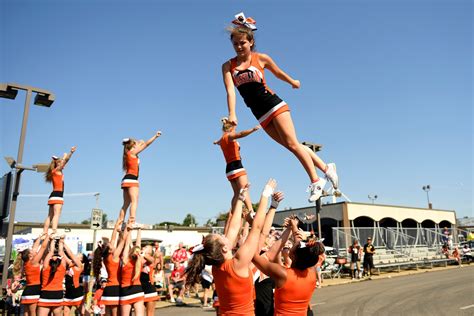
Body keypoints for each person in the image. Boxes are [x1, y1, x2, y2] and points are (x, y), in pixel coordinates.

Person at [222, 12, 338, 202]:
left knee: (293, 144)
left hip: (274, 105)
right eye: (235, 44)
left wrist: (293, 81)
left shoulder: (261, 58)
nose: (239, 47)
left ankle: (316, 180)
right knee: (292, 145)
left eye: (242, 43)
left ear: (250, 42)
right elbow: (231, 91)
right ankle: (326, 168)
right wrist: (232, 113)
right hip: (259, 113)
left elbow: (278, 73)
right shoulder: (228, 66)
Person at [185, 179, 279, 315]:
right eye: (222, 237)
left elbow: (234, 228)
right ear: (224, 249)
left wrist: (240, 199)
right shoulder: (237, 263)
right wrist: (266, 194)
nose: (225, 235)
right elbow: (257, 227)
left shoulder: (217, 267)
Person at [253, 215, 324, 316]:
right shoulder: (311, 272)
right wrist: (293, 225)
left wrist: (254, 226)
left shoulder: (283, 274)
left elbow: (254, 257)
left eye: (294, 246)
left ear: (293, 256)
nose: (294, 243)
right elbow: (299, 243)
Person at [214, 117, 260, 211]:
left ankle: (233, 213)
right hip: (237, 165)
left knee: (236, 193)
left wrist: (216, 142)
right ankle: (251, 212)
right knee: (244, 190)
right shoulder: (230, 136)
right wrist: (252, 129)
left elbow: (218, 141)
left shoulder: (222, 139)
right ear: (230, 128)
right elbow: (241, 133)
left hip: (229, 168)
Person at [118, 132, 161, 225]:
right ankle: (132, 221)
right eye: (135, 143)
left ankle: (120, 221)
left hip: (125, 180)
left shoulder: (127, 153)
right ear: (132, 146)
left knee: (125, 204)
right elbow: (145, 144)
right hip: (132, 179)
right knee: (135, 201)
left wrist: (137, 142)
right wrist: (155, 136)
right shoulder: (133, 152)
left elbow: (141, 142)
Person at [92, 220, 128, 316]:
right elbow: (123, 241)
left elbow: (113, 239)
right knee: (116, 314)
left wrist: (116, 226)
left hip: (108, 288)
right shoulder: (114, 257)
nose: (112, 243)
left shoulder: (105, 257)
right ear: (109, 249)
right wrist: (124, 231)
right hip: (115, 287)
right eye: (110, 245)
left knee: (108, 313)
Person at [42, 146, 76, 238]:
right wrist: (68, 154)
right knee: (57, 214)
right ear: (57, 164)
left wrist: (68, 155)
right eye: (60, 162)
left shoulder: (55, 171)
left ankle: (44, 232)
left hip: (53, 194)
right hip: (58, 194)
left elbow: (65, 162)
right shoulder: (56, 170)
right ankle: (53, 231)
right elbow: (64, 162)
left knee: (50, 215)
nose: (63, 164)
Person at [14, 234, 50, 316]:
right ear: (30, 255)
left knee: (26, 313)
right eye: (32, 251)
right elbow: (43, 248)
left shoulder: (26, 263)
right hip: (34, 289)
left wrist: (40, 237)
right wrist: (48, 237)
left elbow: (35, 247)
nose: (34, 251)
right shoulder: (33, 262)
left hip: (27, 290)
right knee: (33, 313)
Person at [37, 237, 68, 316]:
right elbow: (61, 252)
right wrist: (61, 241)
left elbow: (50, 252)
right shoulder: (62, 267)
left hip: (45, 294)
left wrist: (51, 240)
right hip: (58, 294)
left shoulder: (46, 267)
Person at [119, 225, 145, 315]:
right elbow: (138, 245)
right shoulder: (140, 261)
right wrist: (139, 230)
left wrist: (129, 231)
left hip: (126, 291)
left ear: (131, 252)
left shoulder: (126, 261)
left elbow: (127, 244)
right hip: (138, 289)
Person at [63, 242, 85, 316]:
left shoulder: (80, 265)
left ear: (81, 259)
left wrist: (64, 243)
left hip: (76, 291)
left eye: (79, 256)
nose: (76, 256)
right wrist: (59, 244)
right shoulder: (71, 264)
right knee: (65, 312)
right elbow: (63, 255)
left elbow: (71, 254)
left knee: (83, 312)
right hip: (68, 292)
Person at [140, 245, 159, 316]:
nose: (143, 248)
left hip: (149, 289)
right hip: (139, 289)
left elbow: (152, 260)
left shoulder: (151, 259)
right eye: (143, 247)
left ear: (150, 252)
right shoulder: (139, 258)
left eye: (146, 247)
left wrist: (143, 254)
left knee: (149, 314)